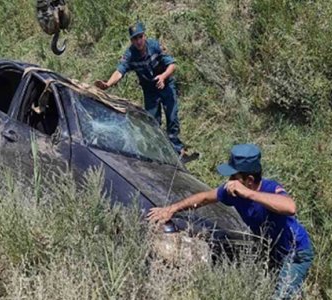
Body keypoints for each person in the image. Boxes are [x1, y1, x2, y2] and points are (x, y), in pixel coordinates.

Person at [148, 144, 314, 299]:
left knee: (281, 295)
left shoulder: (269, 189)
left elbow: (290, 207)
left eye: (234, 176)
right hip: (272, 250)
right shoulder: (232, 191)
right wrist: (171, 209)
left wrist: (249, 194)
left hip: (295, 253)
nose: (229, 180)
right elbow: (204, 198)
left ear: (249, 180)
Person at [94, 21, 191, 159]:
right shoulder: (130, 55)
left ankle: (177, 149)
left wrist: (163, 77)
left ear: (144, 36)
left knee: (172, 116)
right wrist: (108, 83)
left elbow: (172, 65)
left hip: (165, 84)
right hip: (149, 90)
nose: (138, 41)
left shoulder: (155, 46)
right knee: (153, 122)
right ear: (131, 40)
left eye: (140, 37)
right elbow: (119, 71)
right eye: (135, 39)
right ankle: (160, 152)